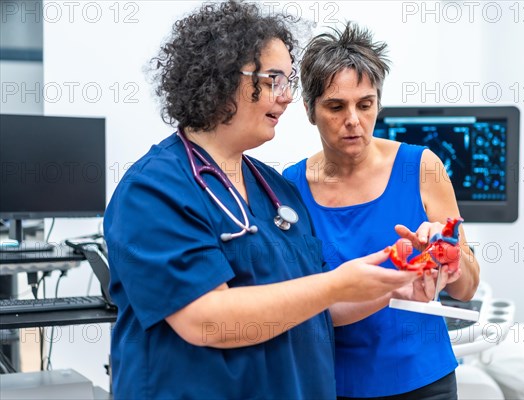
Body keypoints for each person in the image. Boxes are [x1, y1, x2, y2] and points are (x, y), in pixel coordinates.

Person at [103, 3, 420, 399]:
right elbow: (206, 320)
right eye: (274, 80)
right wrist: (335, 284)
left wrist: (390, 284)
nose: (287, 98)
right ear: (220, 79)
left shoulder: (276, 190)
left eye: (287, 82)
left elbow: (322, 307)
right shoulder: (153, 190)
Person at [283, 23, 480, 399]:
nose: (353, 120)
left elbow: (467, 286)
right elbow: (298, 306)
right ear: (310, 110)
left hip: (423, 380)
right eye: (336, 106)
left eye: (365, 104)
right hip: (333, 383)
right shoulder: (289, 188)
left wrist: (448, 255)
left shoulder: (421, 168)